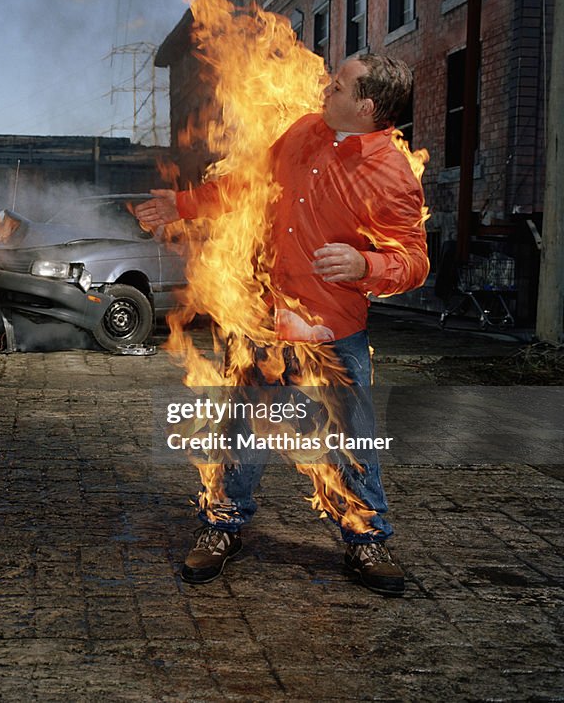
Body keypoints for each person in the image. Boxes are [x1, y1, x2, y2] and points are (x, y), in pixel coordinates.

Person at [135, 54, 428, 596]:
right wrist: (181, 204)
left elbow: (413, 261)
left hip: (332, 333)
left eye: (337, 86)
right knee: (240, 432)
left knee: (352, 442)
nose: (325, 87)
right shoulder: (304, 131)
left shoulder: (392, 175)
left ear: (365, 107)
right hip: (264, 320)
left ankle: (366, 538)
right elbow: (247, 186)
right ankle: (222, 527)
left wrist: (367, 265)